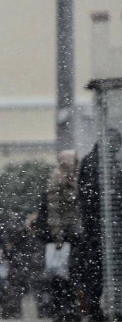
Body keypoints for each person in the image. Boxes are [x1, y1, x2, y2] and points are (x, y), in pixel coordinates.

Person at [77, 129, 122, 322]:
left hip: (95, 227)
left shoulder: (90, 160)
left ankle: (95, 309)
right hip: (104, 227)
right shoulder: (103, 162)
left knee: (94, 271)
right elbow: (103, 197)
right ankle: (97, 310)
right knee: (102, 270)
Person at [43, 149, 81, 322]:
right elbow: (54, 211)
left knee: (70, 273)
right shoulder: (57, 179)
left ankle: (70, 308)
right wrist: (57, 235)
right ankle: (64, 310)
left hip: (73, 232)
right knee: (62, 274)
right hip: (65, 234)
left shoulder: (73, 177)